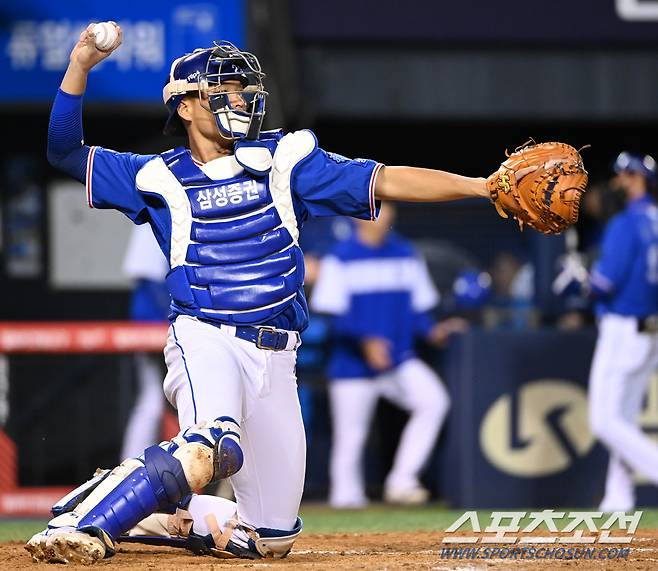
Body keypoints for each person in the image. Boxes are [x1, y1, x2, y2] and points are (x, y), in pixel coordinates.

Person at [26, 23, 497, 564]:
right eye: (223, 91)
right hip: (207, 338)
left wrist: (481, 187)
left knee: (270, 538)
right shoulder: (156, 175)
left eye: (245, 90)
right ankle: (79, 526)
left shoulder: (285, 159)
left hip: (278, 357)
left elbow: (385, 179)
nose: (240, 100)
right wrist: (80, 66)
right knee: (210, 447)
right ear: (185, 107)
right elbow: (64, 152)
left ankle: (139, 504)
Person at [311, 203, 465, 507]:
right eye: (378, 216)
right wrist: (364, 341)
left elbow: (419, 308)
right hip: (352, 364)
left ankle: (402, 481)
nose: (383, 223)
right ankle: (346, 503)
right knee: (351, 437)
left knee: (433, 401)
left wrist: (433, 330)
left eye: (388, 217)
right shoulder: (341, 257)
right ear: (359, 219)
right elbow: (332, 314)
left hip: (397, 359)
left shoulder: (405, 253)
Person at [588, 151, 658, 512]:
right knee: (624, 419)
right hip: (651, 328)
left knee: (603, 421)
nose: (618, 182)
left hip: (624, 325)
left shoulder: (626, 223)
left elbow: (603, 283)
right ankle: (618, 498)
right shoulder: (655, 219)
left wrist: (580, 278)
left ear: (637, 179)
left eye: (624, 176)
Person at [120, 224, 170, 461]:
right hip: (153, 324)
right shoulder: (151, 218)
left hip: (168, 324)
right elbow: (149, 281)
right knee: (152, 401)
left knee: (160, 401)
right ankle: (129, 466)